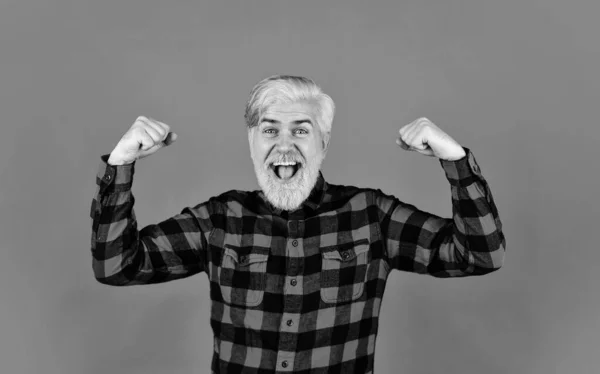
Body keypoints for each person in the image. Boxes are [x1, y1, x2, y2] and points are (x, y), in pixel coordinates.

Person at [90, 75, 506, 374]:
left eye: (301, 131)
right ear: (252, 142)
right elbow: (117, 266)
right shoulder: (219, 220)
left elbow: (480, 253)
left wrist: (455, 162)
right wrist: (121, 164)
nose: (284, 145)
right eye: (269, 129)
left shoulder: (371, 214)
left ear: (323, 143)